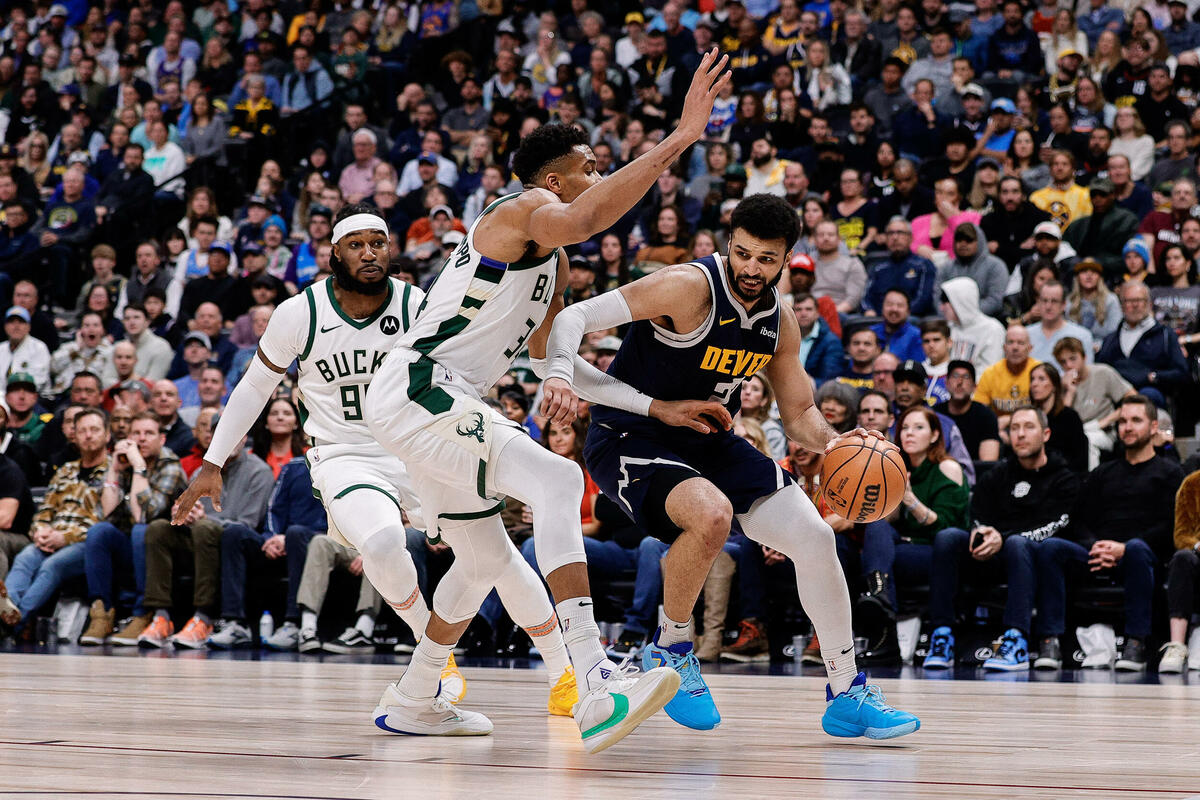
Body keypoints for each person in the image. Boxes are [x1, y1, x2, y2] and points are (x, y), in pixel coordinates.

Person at [357, 53, 740, 750]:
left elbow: (547, 360)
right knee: (560, 479)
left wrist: (653, 408)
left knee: (482, 560)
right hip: (419, 384)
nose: (599, 176)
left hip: (436, 400)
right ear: (554, 181)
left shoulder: (552, 263)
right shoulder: (518, 210)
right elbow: (586, 215)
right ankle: (594, 683)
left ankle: (413, 697)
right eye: (591, 167)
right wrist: (682, 137)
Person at [171, 207, 581, 725]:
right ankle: (432, 651)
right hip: (343, 452)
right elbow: (255, 386)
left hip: (416, 440)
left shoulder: (417, 303)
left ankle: (565, 677)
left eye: (378, 243)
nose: (369, 253)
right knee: (385, 542)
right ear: (334, 254)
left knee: (494, 554)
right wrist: (212, 461)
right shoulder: (300, 312)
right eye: (356, 244)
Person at [547, 193, 921, 739]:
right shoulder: (687, 286)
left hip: (707, 437)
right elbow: (574, 316)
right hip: (629, 433)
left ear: (786, 259)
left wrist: (841, 442)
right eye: (742, 254)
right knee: (712, 514)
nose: (751, 268)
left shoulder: (780, 322)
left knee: (815, 537)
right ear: (728, 245)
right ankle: (672, 649)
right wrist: (561, 374)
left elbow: (799, 414)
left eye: (766, 259)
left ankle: (847, 693)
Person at [923, 406, 1079, 672]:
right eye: (1014, 428)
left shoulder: (1064, 478)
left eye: (1028, 427)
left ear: (1046, 434)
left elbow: (1057, 525)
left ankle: (1016, 640)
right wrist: (980, 532)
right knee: (948, 537)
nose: (1020, 434)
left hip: (1034, 558)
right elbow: (976, 514)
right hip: (992, 554)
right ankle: (942, 634)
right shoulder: (998, 473)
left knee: (1018, 544)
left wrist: (1003, 539)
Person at [1034, 395, 1184, 671]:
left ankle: (1137, 643)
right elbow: (1077, 520)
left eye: (1136, 420)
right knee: (1051, 548)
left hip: (1143, 556)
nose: (1127, 427)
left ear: (1153, 427)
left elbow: (1170, 526)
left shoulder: (1171, 473)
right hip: (1097, 553)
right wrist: (1097, 546)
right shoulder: (1103, 473)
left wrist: (1123, 548)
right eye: (1123, 421)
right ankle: (1050, 640)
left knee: (1137, 548)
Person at [856, 405, 969, 664]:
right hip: (909, 550)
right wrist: (890, 494)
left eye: (918, 428)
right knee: (876, 527)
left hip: (943, 551)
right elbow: (892, 522)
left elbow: (946, 527)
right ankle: (880, 595)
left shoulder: (947, 467)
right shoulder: (899, 468)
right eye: (904, 428)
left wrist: (908, 498)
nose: (909, 433)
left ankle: (884, 627)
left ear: (934, 435)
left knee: (879, 561)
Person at [78, 411, 186, 645]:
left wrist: (139, 468)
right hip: (132, 547)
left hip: (166, 550)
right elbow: (105, 513)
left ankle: (142, 614)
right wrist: (114, 471)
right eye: (136, 433)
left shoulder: (170, 465)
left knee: (141, 531)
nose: (142, 438)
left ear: (162, 439)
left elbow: (143, 515)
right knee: (99, 532)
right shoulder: (123, 461)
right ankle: (102, 613)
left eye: (149, 433)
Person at [0, 408, 110, 630]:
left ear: (107, 435)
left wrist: (64, 538)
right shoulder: (65, 471)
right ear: (74, 435)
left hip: (86, 543)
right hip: (51, 537)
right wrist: (40, 531)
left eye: (94, 430)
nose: (88, 435)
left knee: (52, 566)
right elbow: (45, 511)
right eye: (82, 431)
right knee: (24, 559)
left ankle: (14, 623)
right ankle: (6, 609)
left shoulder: (113, 471)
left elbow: (107, 521)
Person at [1096, 281, 1191, 408]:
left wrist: (1153, 376)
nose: (1135, 305)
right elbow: (1101, 370)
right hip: (1115, 398)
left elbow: (1182, 373)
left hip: (1151, 397)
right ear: (1122, 305)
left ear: (1149, 304)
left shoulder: (1165, 335)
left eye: (1139, 300)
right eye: (1129, 301)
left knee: (1147, 395)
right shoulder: (1111, 339)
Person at [1159, 468, 1200, 673]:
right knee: (1182, 559)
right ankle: (1176, 645)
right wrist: (1198, 545)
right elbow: (1181, 536)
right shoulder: (1192, 484)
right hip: (1199, 555)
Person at [863, 217, 937, 316]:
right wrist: (869, 311)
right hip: (879, 318)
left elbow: (924, 299)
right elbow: (866, 299)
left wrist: (899, 314)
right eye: (890, 233)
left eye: (900, 233)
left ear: (911, 237)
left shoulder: (923, 265)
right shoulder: (878, 268)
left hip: (911, 318)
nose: (895, 237)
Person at [934, 222, 1009, 318]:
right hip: (950, 319)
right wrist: (952, 315)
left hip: (986, 319)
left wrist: (964, 314)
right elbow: (938, 299)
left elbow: (995, 301)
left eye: (969, 240)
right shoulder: (946, 267)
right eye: (959, 240)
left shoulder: (995, 266)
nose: (963, 244)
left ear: (980, 241)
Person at [934, 360, 1002, 461]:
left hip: (976, 470)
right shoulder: (935, 414)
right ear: (946, 383)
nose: (960, 382)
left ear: (974, 386)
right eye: (955, 376)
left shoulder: (986, 416)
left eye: (966, 377)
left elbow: (988, 463)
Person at [1028, 362, 1089, 473]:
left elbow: (1079, 459)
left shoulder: (1069, 417)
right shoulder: (1029, 417)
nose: (1034, 384)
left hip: (1063, 475)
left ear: (1054, 386)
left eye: (1041, 379)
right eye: (1032, 379)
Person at [974, 326, 1041, 423]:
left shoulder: (1039, 371)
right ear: (1004, 348)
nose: (1015, 347)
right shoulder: (990, 373)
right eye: (1010, 342)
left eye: (1021, 343)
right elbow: (978, 410)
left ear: (1030, 348)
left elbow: (1047, 410)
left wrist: (1009, 419)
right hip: (998, 427)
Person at [1026, 280, 1095, 370]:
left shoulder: (1082, 335)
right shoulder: (1025, 335)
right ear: (1038, 302)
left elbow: (1088, 373)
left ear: (1064, 305)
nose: (1048, 306)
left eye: (1054, 301)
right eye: (1044, 301)